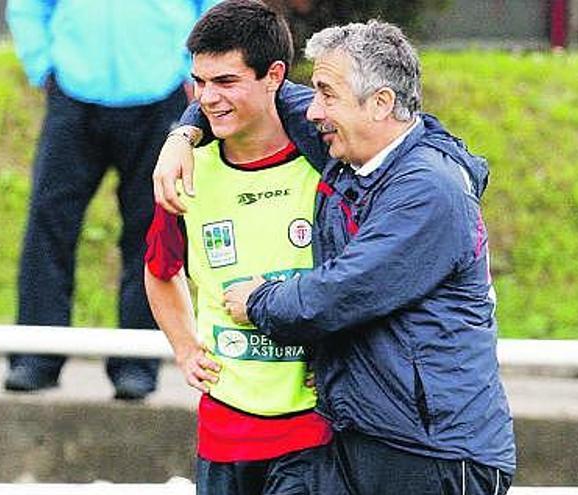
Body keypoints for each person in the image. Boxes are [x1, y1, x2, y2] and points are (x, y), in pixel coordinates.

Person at [157, 20, 515, 495]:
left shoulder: (429, 189)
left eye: (327, 95)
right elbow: (258, 93)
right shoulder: (353, 154)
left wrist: (259, 301)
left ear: (381, 103)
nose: (313, 111)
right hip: (372, 436)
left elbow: (344, 290)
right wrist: (183, 133)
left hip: (435, 451)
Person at [143, 1, 332, 493]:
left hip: (314, 433)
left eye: (226, 82)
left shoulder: (328, 171)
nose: (209, 98)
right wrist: (185, 349)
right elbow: (160, 270)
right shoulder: (184, 171)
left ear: (274, 76)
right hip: (223, 434)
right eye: (199, 83)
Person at [3, 0, 217, 400]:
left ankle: (137, 364)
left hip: (160, 95)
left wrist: (190, 72)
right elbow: (28, 7)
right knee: (49, 227)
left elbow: (214, 9)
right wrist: (43, 66)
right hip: (72, 93)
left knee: (152, 232)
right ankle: (36, 357)